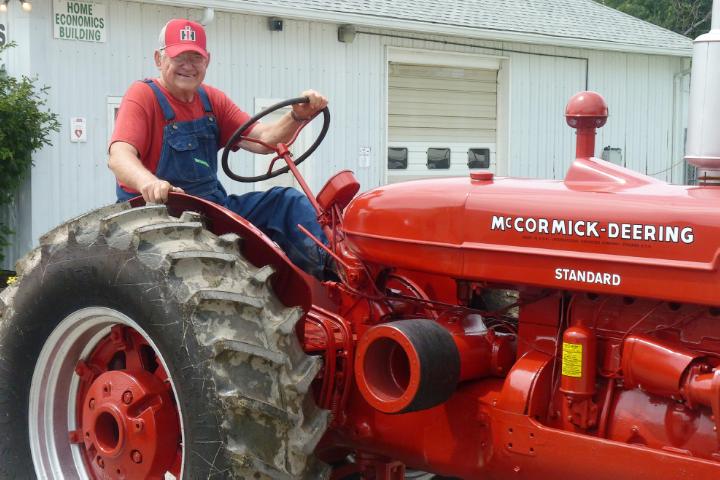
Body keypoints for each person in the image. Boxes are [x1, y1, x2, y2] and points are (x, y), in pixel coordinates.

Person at [108, 18, 331, 279]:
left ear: (207, 61)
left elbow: (265, 140)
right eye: (179, 57)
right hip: (158, 216)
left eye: (195, 58)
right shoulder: (143, 95)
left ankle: (329, 277)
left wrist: (297, 116)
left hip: (210, 209)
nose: (188, 66)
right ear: (159, 59)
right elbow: (119, 156)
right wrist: (149, 183)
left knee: (287, 202)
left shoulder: (211, 100)